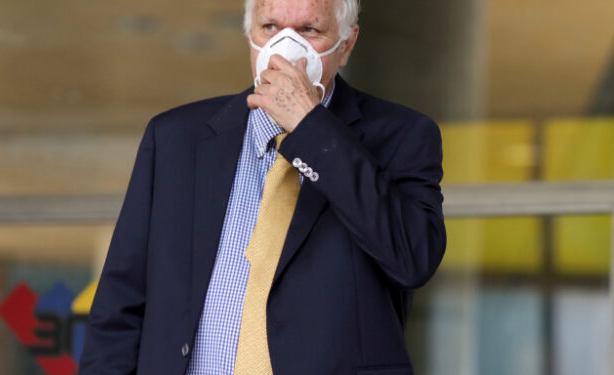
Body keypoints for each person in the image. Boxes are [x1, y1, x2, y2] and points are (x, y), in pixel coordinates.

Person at [79, 0, 446, 373]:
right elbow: (119, 305)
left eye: (309, 30)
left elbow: (412, 259)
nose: (285, 48)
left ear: (347, 45)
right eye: (269, 27)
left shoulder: (404, 136)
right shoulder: (176, 139)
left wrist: (312, 130)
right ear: (250, 37)